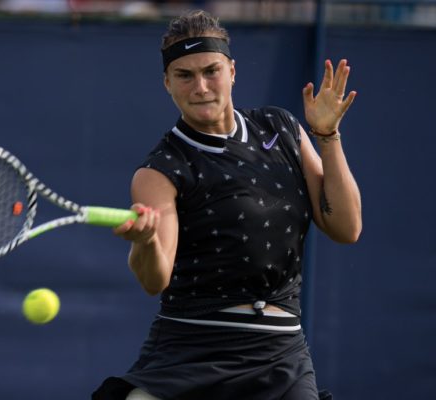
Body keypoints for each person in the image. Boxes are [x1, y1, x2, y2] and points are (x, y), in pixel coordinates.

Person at [93, 9, 361, 400]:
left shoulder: (282, 129)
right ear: (167, 83)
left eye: (211, 71)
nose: (200, 86)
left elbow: (347, 228)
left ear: (232, 71)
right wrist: (146, 241)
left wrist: (327, 135)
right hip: (191, 349)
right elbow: (154, 279)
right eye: (185, 75)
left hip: (280, 354)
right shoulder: (161, 169)